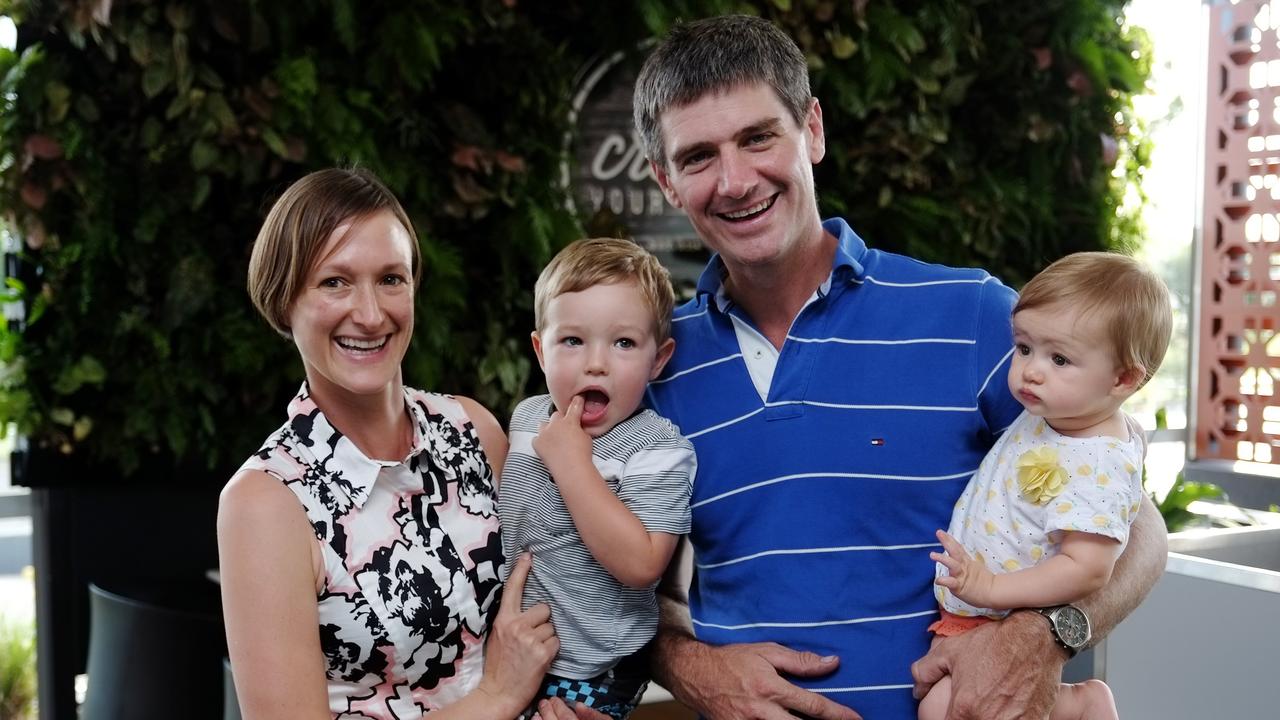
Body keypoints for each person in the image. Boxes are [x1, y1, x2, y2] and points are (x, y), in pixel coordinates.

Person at [613, 14, 1168, 720]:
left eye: (759, 137)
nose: (734, 180)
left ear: (811, 129)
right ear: (665, 180)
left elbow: (1138, 524)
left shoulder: (972, 317)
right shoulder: (652, 365)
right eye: (697, 157)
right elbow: (622, 590)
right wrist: (692, 668)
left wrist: (1043, 637)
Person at [217, 167, 560, 719]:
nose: (372, 314)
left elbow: (552, 595)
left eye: (391, 279)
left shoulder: (473, 429)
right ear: (284, 303)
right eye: (335, 282)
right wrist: (499, 696)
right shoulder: (265, 502)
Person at [919, 252, 1172, 720]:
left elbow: (1088, 567)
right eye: (1023, 348)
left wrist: (992, 586)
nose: (1032, 371)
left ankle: (1079, 704)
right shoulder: (1057, 413)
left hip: (997, 614)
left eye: (1059, 358)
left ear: (1124, 378)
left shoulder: (1099, 461)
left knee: (941, 709)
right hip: (972, 612)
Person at [500, 238, 696, 719]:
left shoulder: (656, 448)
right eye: (573, 340)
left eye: (623, 343)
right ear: (540, 350)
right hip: (514, 651)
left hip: (595, 668)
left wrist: (573, 465)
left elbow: (643, 563)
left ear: (658, 358)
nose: (596, 362)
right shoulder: (527, 419)